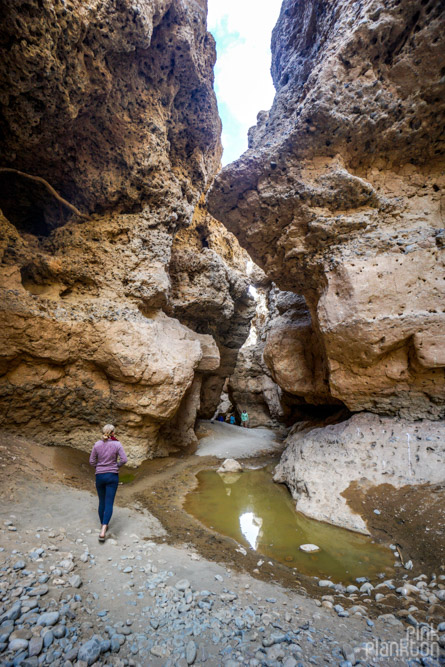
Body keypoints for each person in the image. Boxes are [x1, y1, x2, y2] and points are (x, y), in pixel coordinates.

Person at [89, 424, 128, 542]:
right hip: (112, 476)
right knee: (109, 503)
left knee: (101, 501)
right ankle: (103, 530)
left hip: (100, 476)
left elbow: (91, 461)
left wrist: (99, 467)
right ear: (113, 433)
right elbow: (124, 459)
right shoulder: (117, 444)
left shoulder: (97, 444)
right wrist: (116, 466)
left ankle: (102, 525)